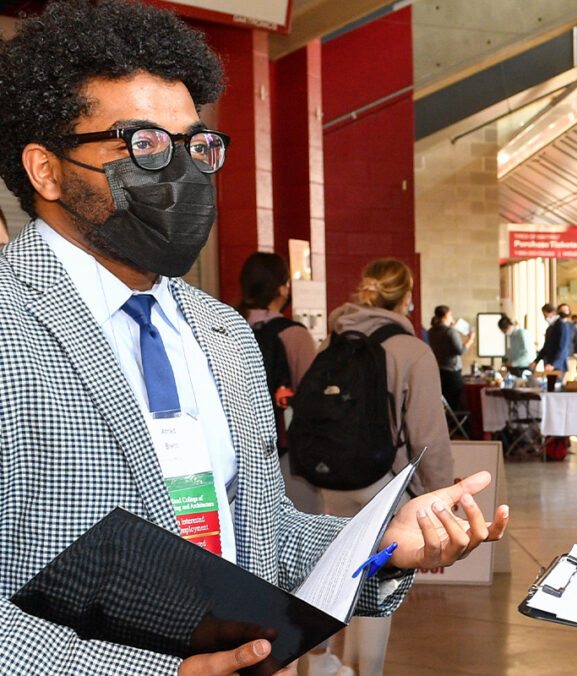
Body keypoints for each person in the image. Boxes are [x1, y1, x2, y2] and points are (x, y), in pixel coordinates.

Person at [0, 4, 507, 674]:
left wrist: (383, 542)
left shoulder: (222, 333)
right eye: (146, 145)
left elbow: (261, 532)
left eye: (194, 147)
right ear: (47, 169)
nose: (181, 174)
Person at [323, 259, 455, 676]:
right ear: (407, 297)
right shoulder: (413, 350)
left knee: (334, 574)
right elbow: (428, 436)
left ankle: (323, 664)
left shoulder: (335, 339)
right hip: (382, 483)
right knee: (378, 580)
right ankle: (365, 670)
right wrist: (440, 503)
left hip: (331, 480)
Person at [237, 251, 321, 514]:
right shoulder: (293, 334)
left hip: (235, 452)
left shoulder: (225, 326)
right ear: (282, 288)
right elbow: (312, 399)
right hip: (286, 455)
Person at [427, 304, 474, 409]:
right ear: (446, 316)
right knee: (456, 402)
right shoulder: (450, 332)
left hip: (440, 369)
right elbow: (460, 350)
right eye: (450, 315)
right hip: (452, 371)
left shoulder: (431, 331)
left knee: (446, 403)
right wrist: (470, 339)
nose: (452, 318)